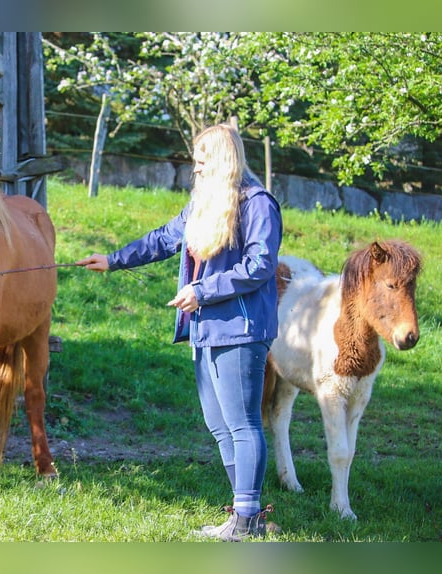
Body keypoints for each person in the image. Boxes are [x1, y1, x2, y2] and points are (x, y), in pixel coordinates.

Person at [76, 123, 283, 542]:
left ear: (223, 160)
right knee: (219, 425)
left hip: (241, 329)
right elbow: (164, 240)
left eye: (202, 161)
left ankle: (246, 519)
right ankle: (245, 513)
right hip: (207, 328)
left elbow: (260, 267)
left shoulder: (258, 204)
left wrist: (201, 291)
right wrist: (114, 259)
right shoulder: (203, 203)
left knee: (243, 424)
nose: (196, 169)